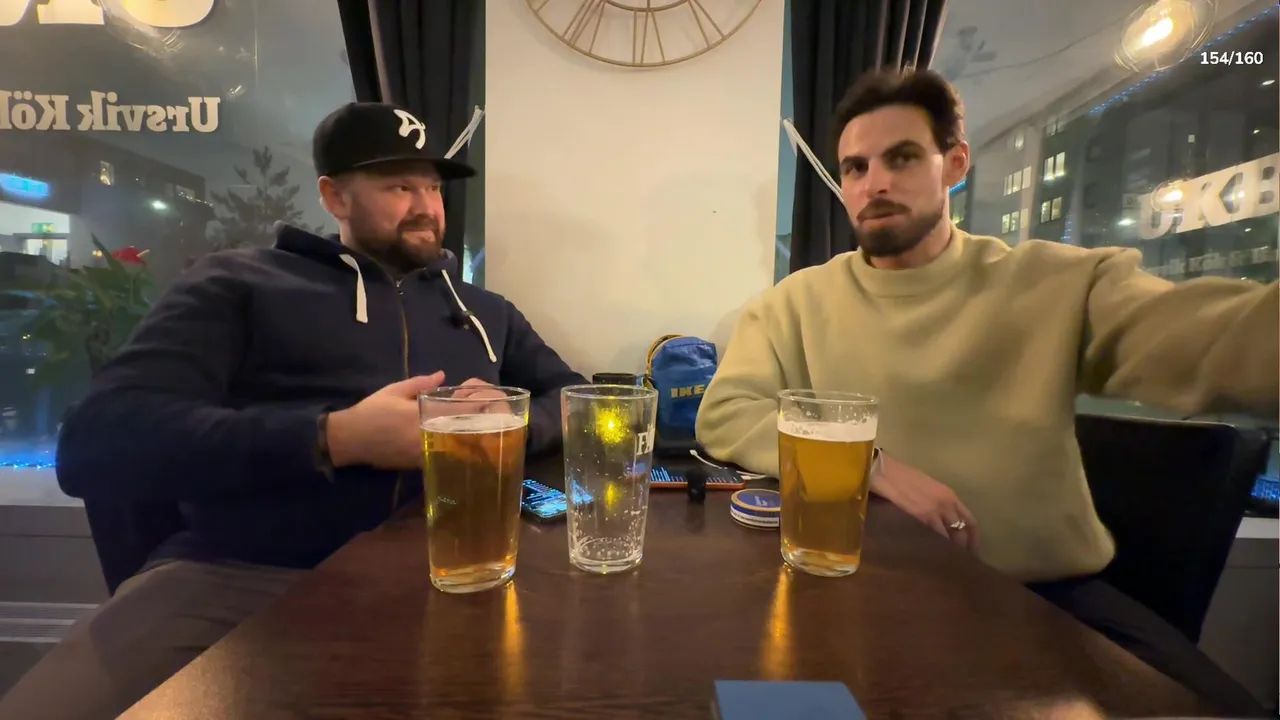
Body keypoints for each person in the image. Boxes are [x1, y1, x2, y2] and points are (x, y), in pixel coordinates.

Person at [695, 69, 1277, 716]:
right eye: (856, 167)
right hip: (862, 592)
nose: (874, 183)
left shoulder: (1056, 283)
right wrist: (871, 466)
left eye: (901, 157)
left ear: (955, 164)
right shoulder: (794, 304)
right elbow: (726, 413)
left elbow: (1221, 340)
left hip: (1045, 603)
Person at [0, 102, 586, 719]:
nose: (426, 207)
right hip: (242, 572)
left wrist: (511, 420)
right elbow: (96, 444)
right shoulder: (237, 284)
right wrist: (333, 437)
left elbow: (573, 399)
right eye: (399, 186)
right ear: (334, 197)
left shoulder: (484, 312)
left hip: (451, 573)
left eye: (433, 187)